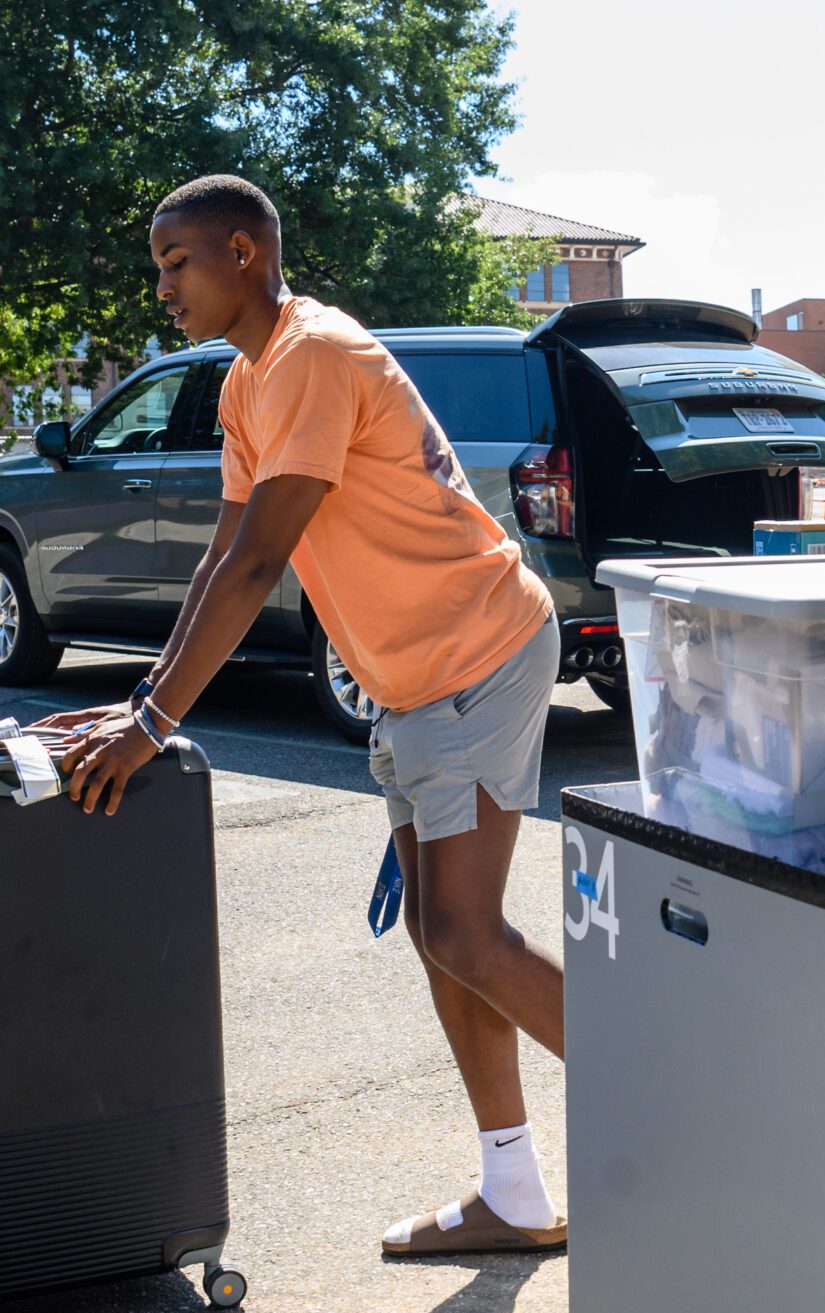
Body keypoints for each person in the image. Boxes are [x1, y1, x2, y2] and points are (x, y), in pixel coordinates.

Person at [40, 174, 569, 1256]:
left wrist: (151, 727)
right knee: (439, 935)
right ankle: (514, 1193)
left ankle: (686, 1120)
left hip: (478, 648)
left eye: (176, 261)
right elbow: (224, 560)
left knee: (466, 928)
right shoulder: (248, 384)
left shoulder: (314, 354)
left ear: (244, 252)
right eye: (157, 267)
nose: (163, 288)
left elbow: (264, 562)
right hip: (420, 676)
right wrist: (142, 696)